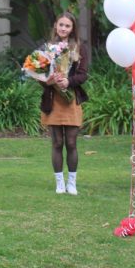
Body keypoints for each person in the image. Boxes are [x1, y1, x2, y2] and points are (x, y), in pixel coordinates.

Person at [39, 12, 89, 195]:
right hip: (52, 100)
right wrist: (49, 81)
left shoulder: (78, 48)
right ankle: (59, 182)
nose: (63, 28)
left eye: (67, 26)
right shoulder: (46, 48)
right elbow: (39, 75)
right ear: (55, 26)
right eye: (61, 25)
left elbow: (83, 74)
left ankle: (72, 183)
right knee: (57, 143)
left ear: (72, 29)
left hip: (71, 100)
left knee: (71, 142)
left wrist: (69, 82)